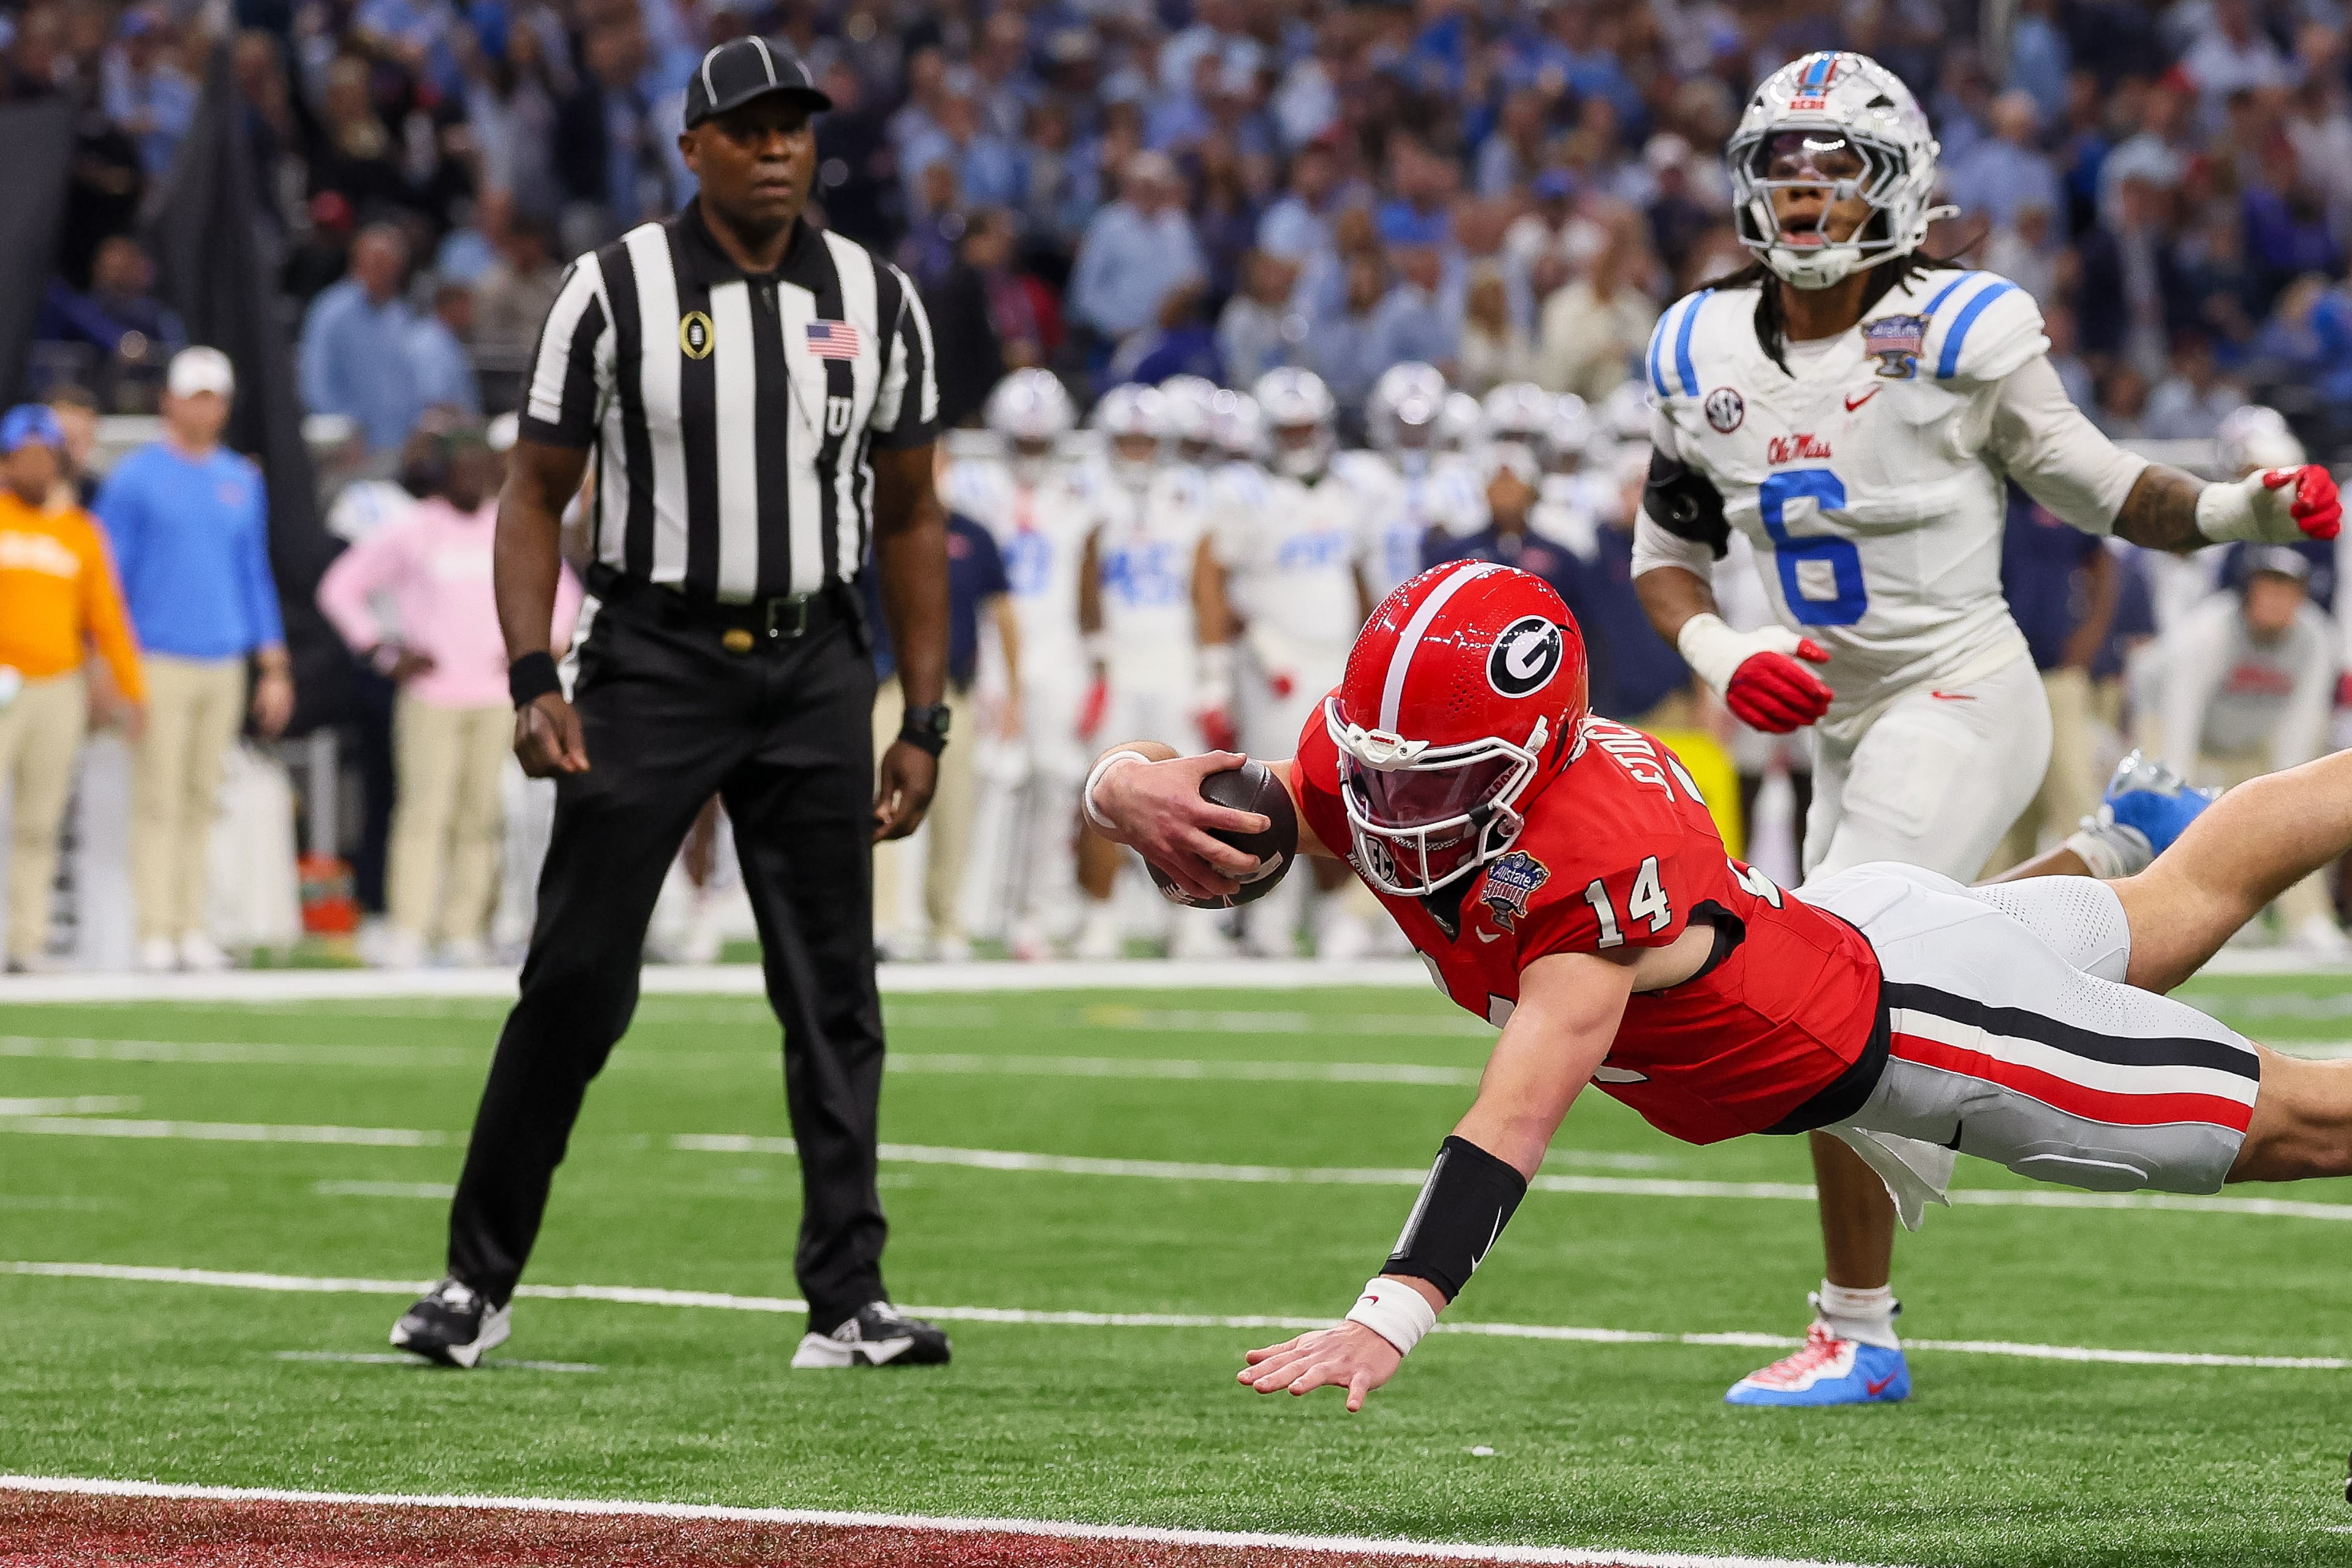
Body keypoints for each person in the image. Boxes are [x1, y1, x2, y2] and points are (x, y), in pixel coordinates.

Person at [1080, 562, 2337, 1420]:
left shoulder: (1592, 866)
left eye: (1436, 783)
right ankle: (2120, 836)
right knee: (2178, 905)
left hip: (1920, 1029)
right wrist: (1118, 785)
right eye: (1380, 771)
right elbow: (1230, 793)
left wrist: (1387, 1314)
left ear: (1536, 758)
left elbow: (1512, 1116)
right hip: (1871, 929)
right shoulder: (1393, 759)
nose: (1392, 813)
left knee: (2308, 1122)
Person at [1627, 52, 2342, 1406]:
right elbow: (1666, 550)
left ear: (1897, 189)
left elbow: (2102, 487)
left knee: (1827, 980)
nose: (1808, 198)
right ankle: (2113, 849)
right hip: (1840, 720)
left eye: (1836, 174)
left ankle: (1859, 1327)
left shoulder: (1962, 328)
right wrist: (1723, 651)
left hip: (1961, 688)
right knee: (1855, 981)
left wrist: (2247, 510)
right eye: (1787, 172)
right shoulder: (1698, 347)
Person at [389, 38, 954, 1373]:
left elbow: (917, 512)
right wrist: (533, 673)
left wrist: (922, 718)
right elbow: (531, 494)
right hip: (652, 654)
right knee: (578, 973)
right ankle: (477, 1278)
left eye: (795, 128)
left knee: (834, 988)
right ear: (690, 147)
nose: (776, 149)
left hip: (817, 659)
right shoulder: (612, 291)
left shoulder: (878, 296)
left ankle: (847, 1294)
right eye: (747, 128)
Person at [318, 427, 584, 968]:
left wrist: (539, 653)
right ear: (443, 474)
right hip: (432, 695)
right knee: (424, 812)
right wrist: (381, 650)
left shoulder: (510, 527)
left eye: (480, 466)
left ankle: (464, 930)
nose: (473, 477)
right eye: (460, 467)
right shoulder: (415, 530)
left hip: (495, 694)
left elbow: (565, 597)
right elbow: (341, 587)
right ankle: (410, 928)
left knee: (481, 814)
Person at [94, 347, 295, 974]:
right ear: (169, 401)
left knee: (202, 796)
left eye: (216, 397)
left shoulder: (241, 479)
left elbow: (253, 573)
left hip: (223, 656)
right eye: (195, 395)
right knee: (158, 796)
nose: (206, 407)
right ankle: (155, 927)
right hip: (156, 657)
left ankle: (192, 925)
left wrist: (273, 663)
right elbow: (107, 582)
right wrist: (108, 665)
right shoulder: (134, 478)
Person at [1205, 368, 1375, 959]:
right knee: (1271, 789)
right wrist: (1217, 667)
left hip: (1335, 657)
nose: (1300, 440)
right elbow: (1211, 577)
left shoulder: (1348, 489)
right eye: (1289, 429)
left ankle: (1336, 914)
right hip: (1273, 663)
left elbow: (1357, 577)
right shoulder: (1245, 493)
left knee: (1345, 788)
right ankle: (1266, 917)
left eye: (1307, 428)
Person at [1072, 382, 1227, 961]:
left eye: (1146, 441)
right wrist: (1095, 659)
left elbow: (1204, 586)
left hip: (1173, 663)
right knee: (1102, 793)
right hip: (1121, 663)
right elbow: (1086, 582)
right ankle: (1100, 916)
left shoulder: (1188, 498)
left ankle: (1193, 921)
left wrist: (1213, 678)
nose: (1137, 451)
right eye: (1128, 441)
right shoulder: (1095, 497)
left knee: (1194, 798)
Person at [947, 369, 1098, 960]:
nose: (1032, 452)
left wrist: (1097, 661)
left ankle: (1034, 913)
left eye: (1041, 441)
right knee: (989, 779)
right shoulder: (973, 486)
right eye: (1023, 441)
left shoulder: (1083, 491)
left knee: (1055, 781)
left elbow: (1091, 577)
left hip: (1058, 652)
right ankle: (964, 911)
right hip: (993, 652)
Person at [0, 406, 145, 973]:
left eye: (46, 458)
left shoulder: (81, 532)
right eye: (26, 458)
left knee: (40, 821)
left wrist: (132, 690)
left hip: (57, 688)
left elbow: (107, 619)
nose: (37, 469)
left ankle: (26, 940)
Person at [2152, 548, 2344, 956]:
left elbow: (2301, 723)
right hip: (2179, 731)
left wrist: (2287, 791)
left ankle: (2309, 920)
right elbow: (2182, 714)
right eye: (2267, 588)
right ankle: (2173, 919)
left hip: (2252, 742)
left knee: (2295, 820)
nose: (2276, 599)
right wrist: (2178, 788)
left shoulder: (2315, 638)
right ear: (2247, 592)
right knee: (2163, 819)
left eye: (2287, 590)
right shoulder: (2209, 631)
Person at [869, 447, 1017, 965]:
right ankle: (882, 920)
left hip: (954, 687)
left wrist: (1013, 689)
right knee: (882, 800)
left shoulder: (973, 535)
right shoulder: (872, 526)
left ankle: (947, 920)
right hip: (886, 685)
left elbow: (1001, 613)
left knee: (956, 807)